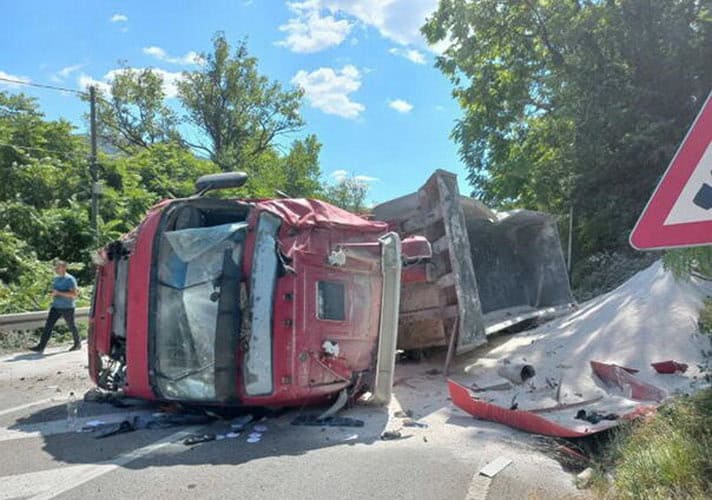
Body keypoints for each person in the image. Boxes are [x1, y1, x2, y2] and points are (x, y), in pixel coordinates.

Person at [29, 260, 81, 353]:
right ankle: (41, 346)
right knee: (48, 326)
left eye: (58, 267)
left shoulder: (70, 279)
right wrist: (53, 294)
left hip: (67, 307)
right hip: (56, 306)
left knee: (71, 326)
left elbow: (74, 295)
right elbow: (56, 291)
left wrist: (59, 293)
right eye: (56, 267)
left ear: (64, 268)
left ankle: (77, 344)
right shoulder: (56, 278)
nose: (56, 269)